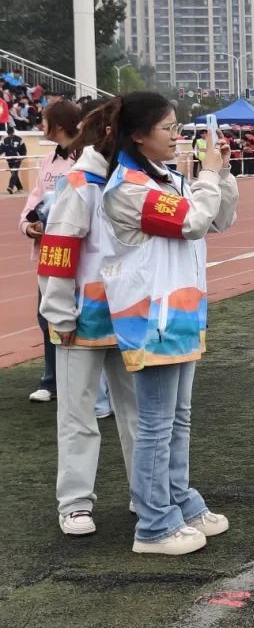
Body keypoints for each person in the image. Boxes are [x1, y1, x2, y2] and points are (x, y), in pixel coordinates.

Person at [99, 92, 238, 555]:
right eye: (168, 129)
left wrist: (222, 174)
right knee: (157, 424)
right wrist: (209, 176)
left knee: (178, 418)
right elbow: (192, 222)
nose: (177, 137)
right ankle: (154, 522)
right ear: (139, 136)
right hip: (150, 319)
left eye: (177, 127)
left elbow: (218, 219)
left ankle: (179, 500)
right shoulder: (129, 189)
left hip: (179, 314)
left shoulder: (167, 179)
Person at [38, 100, 138, 537]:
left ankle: (147, 492)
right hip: (83, 319)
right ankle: (75, 503)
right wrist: (60, 313)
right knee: (78, 415)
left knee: (140, 414)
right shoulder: (81, 184)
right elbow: (58, 250)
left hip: (131, 315)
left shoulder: (139, 179)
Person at [20, 100, 80, 403]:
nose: (40, 125)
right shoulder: (48, 160)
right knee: (47, 316)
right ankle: (51, 381)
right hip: (49, 252)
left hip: (76, 252)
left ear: (57, 124)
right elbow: (36, 198)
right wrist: (27, 225)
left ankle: (81, 383)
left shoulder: (84, 158)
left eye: (44, 120)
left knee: (76, 316)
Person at [2, 126, 26, 193]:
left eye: (11, 133)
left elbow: (23, 149)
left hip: (17, 159)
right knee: (14, 174)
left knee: (14, 173)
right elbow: (1, 149)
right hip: (9, 160)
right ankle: (20, 188)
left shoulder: (19, 139)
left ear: (13, 132)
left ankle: (10, 187)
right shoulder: (5, 140)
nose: (10, 135)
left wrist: (23, 156)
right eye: (9, 133)